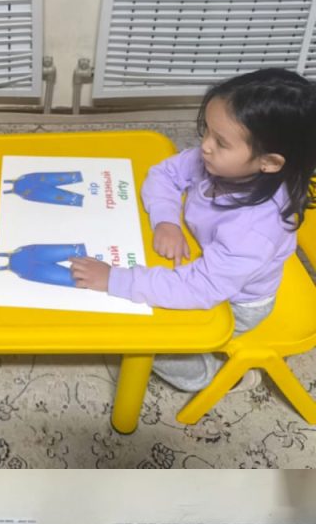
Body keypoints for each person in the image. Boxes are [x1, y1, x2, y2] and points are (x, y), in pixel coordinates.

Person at [68, 68, 316, 392]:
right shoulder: (217, 162)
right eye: (207, 131)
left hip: (236, 302)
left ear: (269, 162)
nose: (205, 147)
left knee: (137, 336)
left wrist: (115, 279)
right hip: (212, 263)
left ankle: (213, 374)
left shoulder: (254, 230)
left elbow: (200, 288)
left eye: (220, 142)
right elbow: (164, 173)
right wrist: (166, 220)